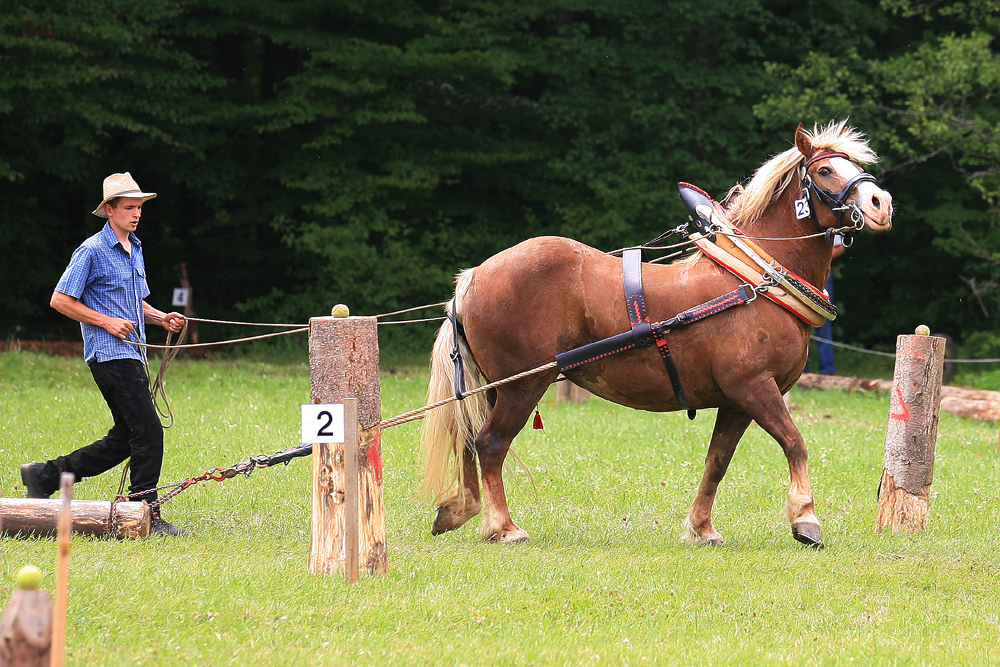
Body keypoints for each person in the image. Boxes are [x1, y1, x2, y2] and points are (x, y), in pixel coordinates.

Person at [20, 172, 187, 536]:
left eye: (139, 207)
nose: (136, 213)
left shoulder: (135, 248)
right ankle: (143, 512)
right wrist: (108, 323)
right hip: (110, 354)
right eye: (129, 207)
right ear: (109, 210)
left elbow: (132, 302)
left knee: (126, 438)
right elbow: (60, 299)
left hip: (133, 355)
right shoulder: (92, 250)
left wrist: (161, 318)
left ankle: (43, 475)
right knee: (148, 432)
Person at [809, 237, 846, 374]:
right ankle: (800, 371)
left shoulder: (828, 219)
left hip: (822, 272)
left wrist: (818, 259)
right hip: (797, 270)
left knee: (823, 320)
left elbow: (840, 246)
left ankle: (827, 370)